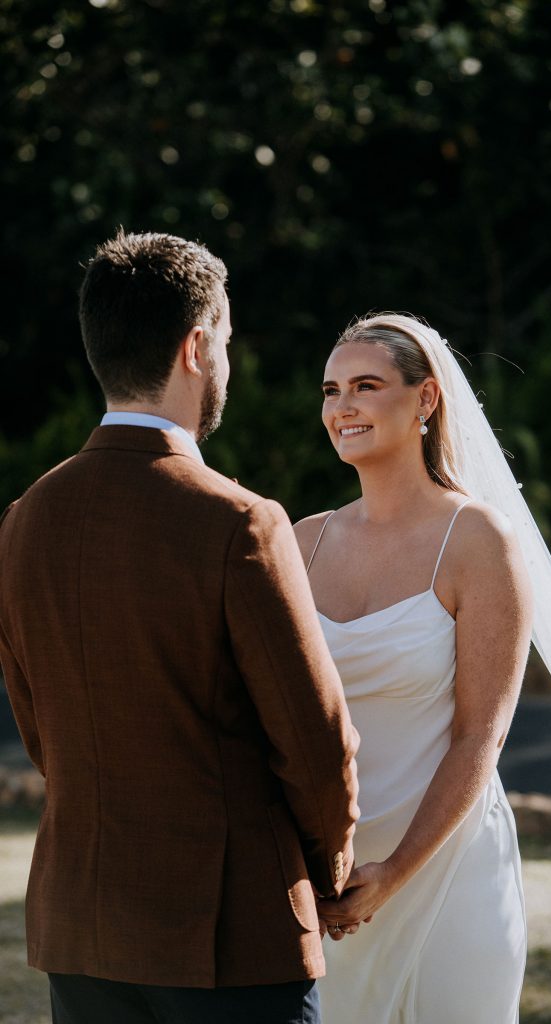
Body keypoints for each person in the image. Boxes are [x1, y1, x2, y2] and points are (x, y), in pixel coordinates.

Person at [0, 230, 360, 1024]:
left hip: (81, 928)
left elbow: (40, 731)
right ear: (197, 346)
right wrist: (328, 873)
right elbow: (313, 737)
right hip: (229, 933)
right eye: (225, 337)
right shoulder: (239, 521)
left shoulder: (23, 521)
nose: (227, 358)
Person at [294, 313, 533, 1024]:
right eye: (332, 390)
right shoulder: (299, 542)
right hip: (329, 878)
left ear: (424, 399)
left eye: (366, 386)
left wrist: (394, 873)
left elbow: (478, 736)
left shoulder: (477, 539)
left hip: (445, 868)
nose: (343, 407)